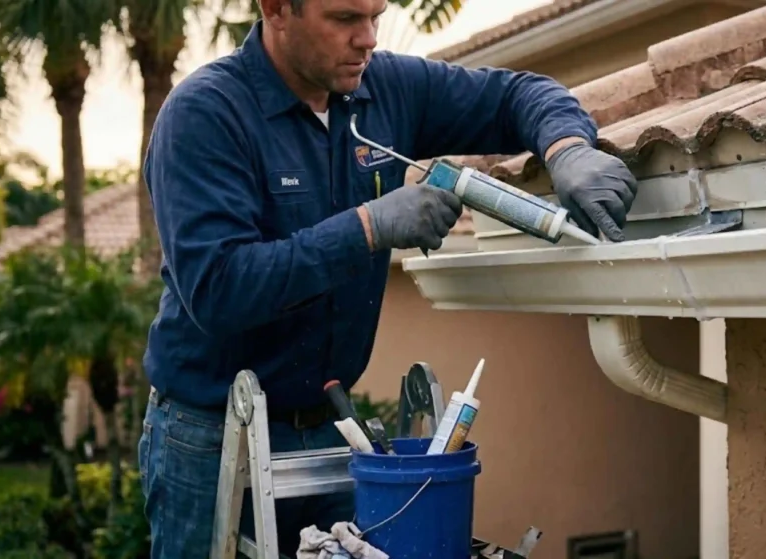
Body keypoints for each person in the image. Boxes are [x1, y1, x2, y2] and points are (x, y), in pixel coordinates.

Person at [137, 0, 638, 556]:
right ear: (277, 9)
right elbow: (220, 288)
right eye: (346, 19)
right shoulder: (206, 115)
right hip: (211, 439)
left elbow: (517, 95)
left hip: (335, 426)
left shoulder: (384, 89)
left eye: (375, 16)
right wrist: (366, 228)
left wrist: (568, 148)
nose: (368, 39)